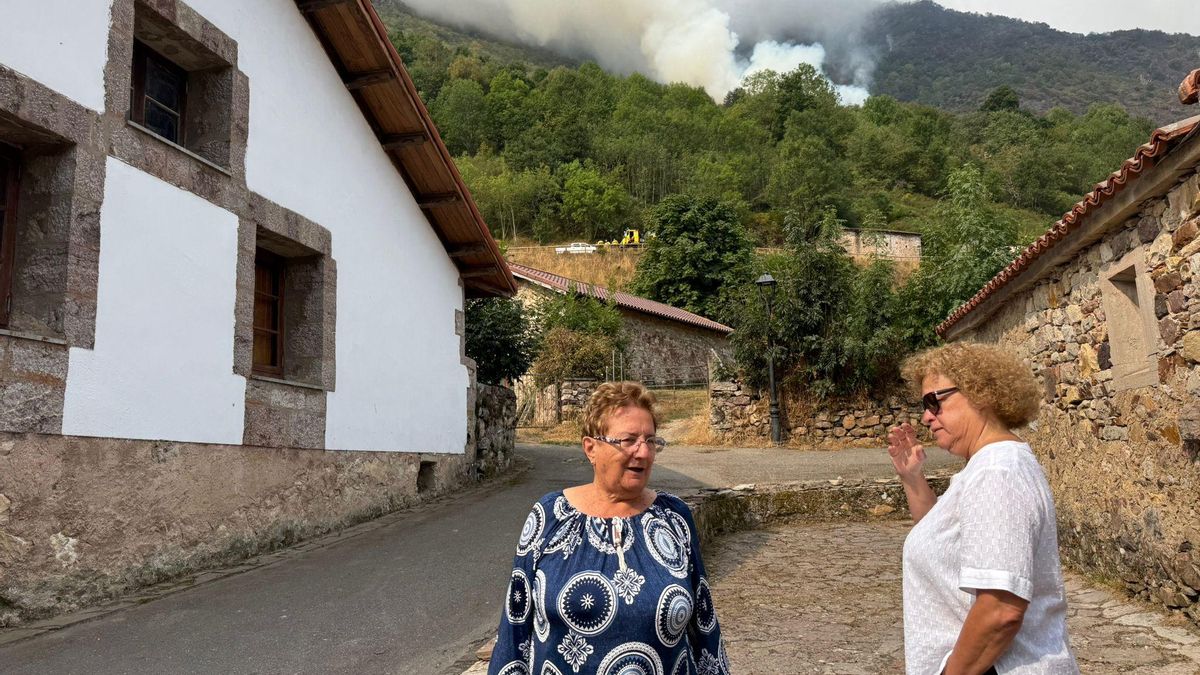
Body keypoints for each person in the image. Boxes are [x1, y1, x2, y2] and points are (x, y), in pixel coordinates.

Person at [488, 381, 729, 675]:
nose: (643, 453)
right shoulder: (550, 516)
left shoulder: (673, 517)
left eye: (651, 441)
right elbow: (515, 629)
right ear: (591, 448)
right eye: (628, 440)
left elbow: (704, 628)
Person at [887, 343, 1078, 675]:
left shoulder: (997, 472)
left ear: (982, 394)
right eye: (923, 404)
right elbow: (943, 541)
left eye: (935, 401)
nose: (926, 416)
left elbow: (1000, 609)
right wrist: (913, 479)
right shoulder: (986, 466)